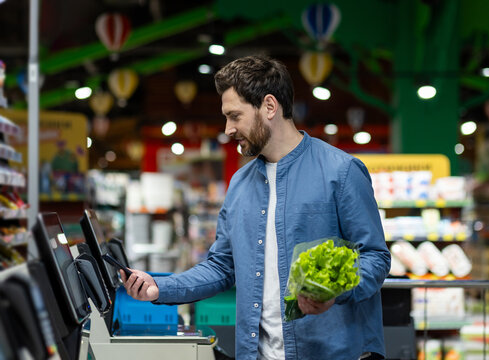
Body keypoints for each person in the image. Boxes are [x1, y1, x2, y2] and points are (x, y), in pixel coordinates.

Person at [122, 55, 391, 360]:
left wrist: (334, 290)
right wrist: (160, 288)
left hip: (332, 352)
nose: (228, 129)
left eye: (235, 116)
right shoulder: (239, 184)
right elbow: (222, 266)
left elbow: (375, 257)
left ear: (269, 107)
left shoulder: (341, 171)